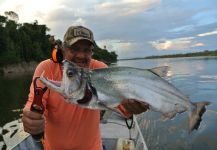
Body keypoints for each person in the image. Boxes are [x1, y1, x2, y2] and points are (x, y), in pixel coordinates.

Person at [22, 25, 149, 150]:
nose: (81, 55)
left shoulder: (99, 69)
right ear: (63, 49)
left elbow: (119, 106)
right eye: (74, 49)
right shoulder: (46, 68)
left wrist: (131, 108)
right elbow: (34, 104)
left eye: (86, 50)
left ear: (91, 52)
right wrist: (31, 118)